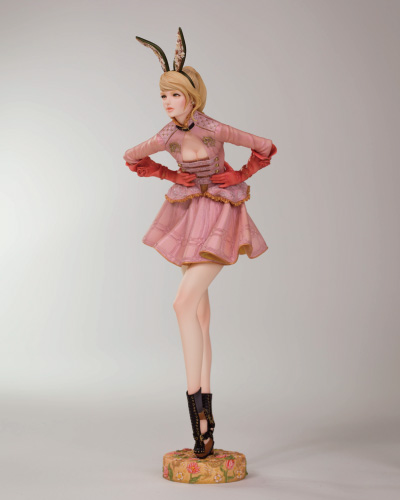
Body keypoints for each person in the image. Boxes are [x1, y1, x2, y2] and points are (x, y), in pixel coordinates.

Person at [123, 28, 277, 459]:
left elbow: (265, 147)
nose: (167, 102)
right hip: (190, 217)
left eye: (174, 94)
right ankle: (206, 425)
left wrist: (239, 174)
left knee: (182, 304)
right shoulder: (166, 135)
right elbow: (133, 156)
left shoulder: (215, 128)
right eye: (163, 95)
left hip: (221, 216)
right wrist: (170, 175)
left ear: (192, 96)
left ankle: (199, 422)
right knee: (202, 317)